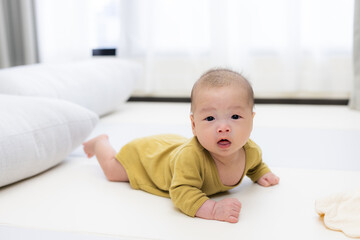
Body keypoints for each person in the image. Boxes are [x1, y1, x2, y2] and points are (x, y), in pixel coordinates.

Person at [83, 68, 279, 223]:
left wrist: (261, 172)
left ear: (251, 120)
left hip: (174, 146)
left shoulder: (250, 151)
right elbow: (181, 192)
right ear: (194, 125)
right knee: (112, 171)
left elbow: (255, 164)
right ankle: (100, 143)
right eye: (210, 118)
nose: (223, 128)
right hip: (148, 158)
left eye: (235, 116)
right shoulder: (191, 159)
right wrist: (212, 209)